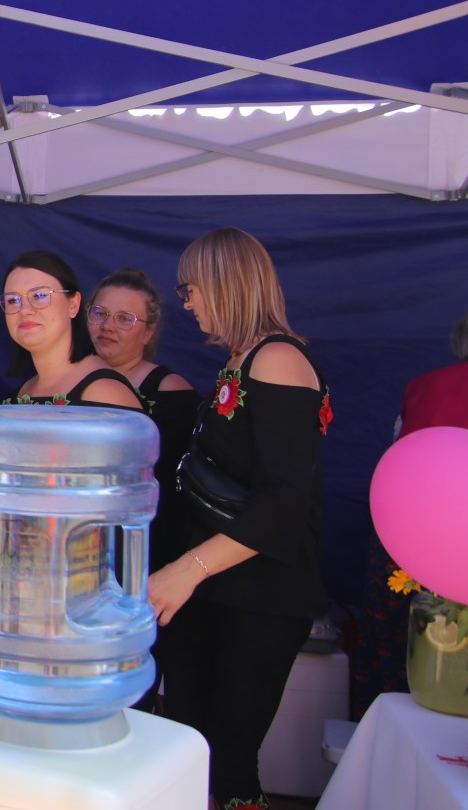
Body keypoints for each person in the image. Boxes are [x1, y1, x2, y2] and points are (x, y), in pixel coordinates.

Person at [149, 227, 330, 810]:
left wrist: (187, 568)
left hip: (261, 595)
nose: (186, 303)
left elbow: (283, 503)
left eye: (190, 288)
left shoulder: (278, 359)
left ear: (225, 282)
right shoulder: (242, 360)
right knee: (192, 748)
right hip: (221, 589)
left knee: (228, 761)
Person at [350, 297, 468, 716]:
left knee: (390, 650)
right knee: (460, 659)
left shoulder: (424, 384)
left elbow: (399, 453)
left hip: (401, 542)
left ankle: (379, 732)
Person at [88, 267, 202, 568]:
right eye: (100, 313)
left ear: (148, 332)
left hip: (145, 550)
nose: (107, 326)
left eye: (124, 318)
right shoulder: (66, 383)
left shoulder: (170, 391)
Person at [0, 250, 143, 409]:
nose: (24, 310)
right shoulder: (19, 395)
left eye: (39, 296)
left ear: (73, 305)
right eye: (12, 300)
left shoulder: (106, 394)